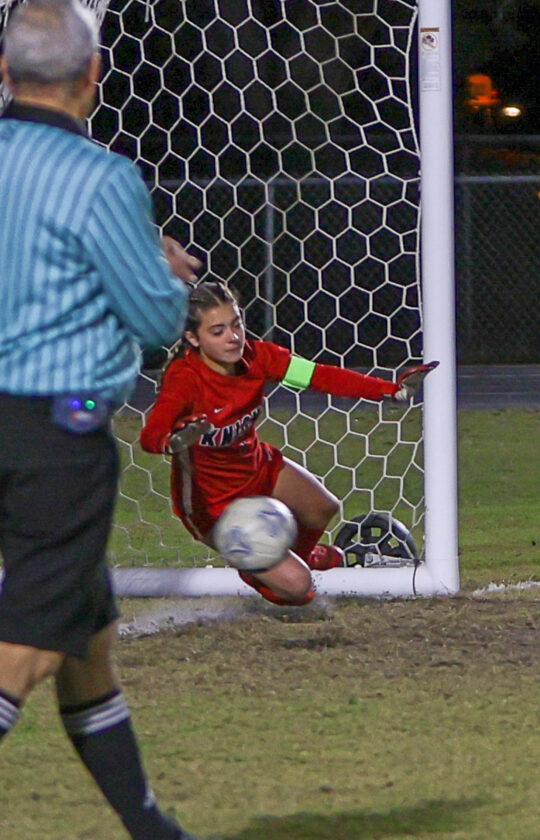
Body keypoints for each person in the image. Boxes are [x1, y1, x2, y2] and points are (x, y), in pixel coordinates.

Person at [0, 2, 203, 839]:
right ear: (92, 75)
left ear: (5, 72)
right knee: (29, 650)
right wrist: (165, 270)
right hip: (55, 431)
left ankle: (153, 831)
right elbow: (156, 321)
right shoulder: (100, 179)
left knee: (88, 645)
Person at [140, 281, 437, 606]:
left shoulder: (258, 356)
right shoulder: (185, 378)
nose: (233, 337)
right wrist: (171, 441)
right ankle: (258, 574)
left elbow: (319, 375)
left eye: (236, 324)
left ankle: (297, 558)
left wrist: (389, 390)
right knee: (298, 589)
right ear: (193, 338)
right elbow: (151, 435)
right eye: (218, 331)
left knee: (323, 508)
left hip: (257, 467)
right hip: (213, 505)